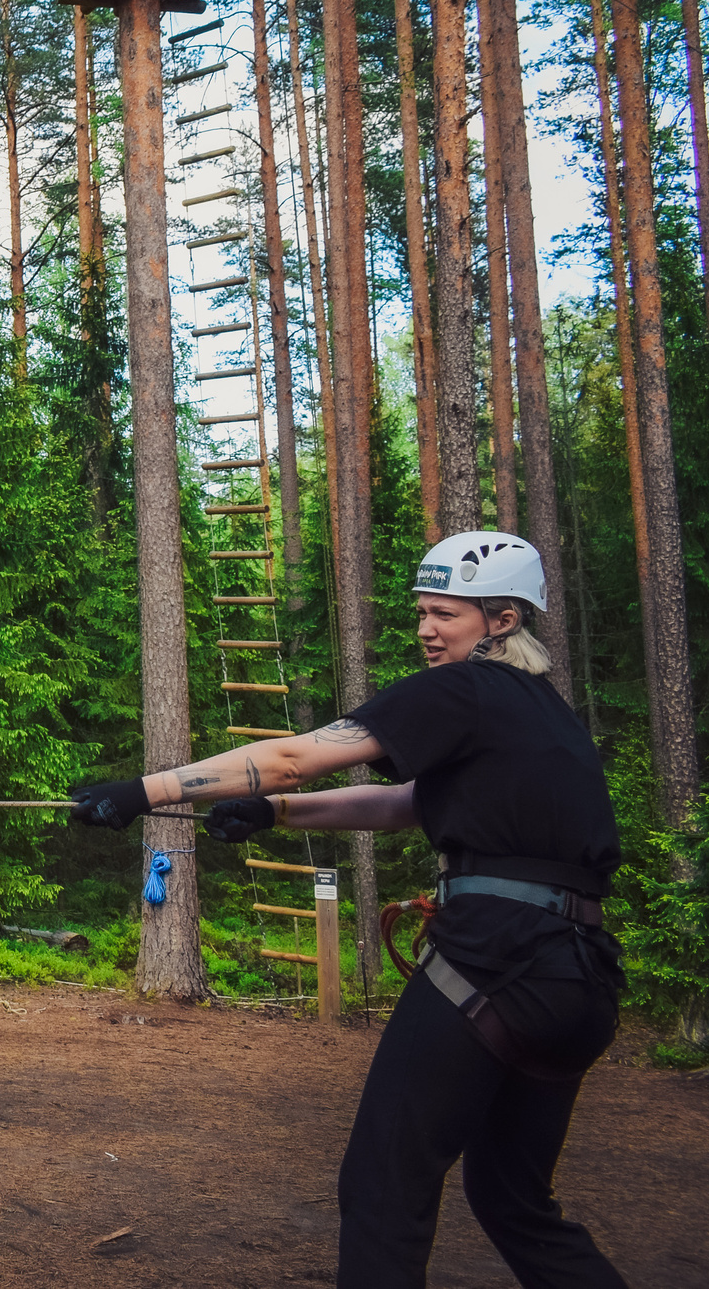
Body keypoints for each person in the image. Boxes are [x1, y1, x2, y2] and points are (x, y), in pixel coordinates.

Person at [69, 532, 626, 1289]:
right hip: (578, 978)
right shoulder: (543, 714)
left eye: (446, 614)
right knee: (514, 1199)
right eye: (423, 612)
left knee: (383, 1186)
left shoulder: (463, 688)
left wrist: (143, 792)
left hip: (496, 960)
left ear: (502, 620)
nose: (426, 629)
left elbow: (296, 755)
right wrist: (274, 813)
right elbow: (406, 803)